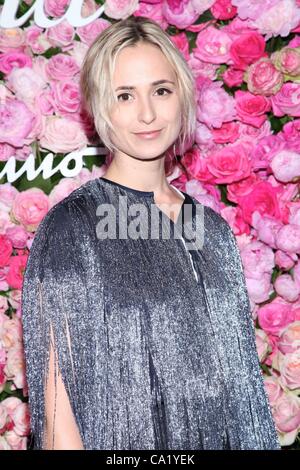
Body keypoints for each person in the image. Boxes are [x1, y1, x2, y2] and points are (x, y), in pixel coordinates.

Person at [21, 16, 281, 450]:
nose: (147, 113)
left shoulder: (210, 229)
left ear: (182, 97)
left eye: (161, 90)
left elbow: (241, 390)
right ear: (100, 107)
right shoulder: (73, 228)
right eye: (125, 95)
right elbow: (56, 413)